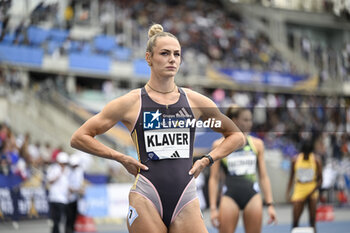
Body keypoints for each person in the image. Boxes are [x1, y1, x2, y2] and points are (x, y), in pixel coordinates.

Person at [70, 23, 246, 233]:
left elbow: (236, 136)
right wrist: (120, 157)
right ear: (148, 58)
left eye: (177, 54)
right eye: (164, 53)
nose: (172, 59)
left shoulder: (195, 103)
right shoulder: (130, 103)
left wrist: (207, 159)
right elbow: (80, 137)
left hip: (185, 197)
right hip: (146, 196)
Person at [208, 106, 277, 233]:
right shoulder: (218, 145)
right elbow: (214, 178)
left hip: (252, 195)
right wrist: (213, 208)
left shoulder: (257, 144)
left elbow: (263, 176)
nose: (249, 123)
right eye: (245, 120)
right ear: (234, 120)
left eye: (250, 120)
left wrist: (270, 204)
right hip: (229, 195)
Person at [286, 137, 323, 233]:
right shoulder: (295, 160)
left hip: (312, 188)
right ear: (302, 152)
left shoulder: (316, 160)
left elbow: (320, 180)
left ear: (311, 152)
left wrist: (311, 192)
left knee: (312, 221)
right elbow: (291, 177)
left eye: (308, 154)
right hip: (299, 188)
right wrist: (287, 193)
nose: (306, 156)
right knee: (295, 221)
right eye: (305, 154)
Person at [46, 152, 70, 233]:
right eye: (63, 163)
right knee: (55, 220)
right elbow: (49, 180)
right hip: (54, 197)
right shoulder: (53, 169)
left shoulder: (68, 170)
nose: (64, 165)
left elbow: (67, 183)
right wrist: (58, 174)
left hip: (63, 199)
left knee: (61, 219)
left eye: (65, 163)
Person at [66, 155, 84, 233]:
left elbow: (80, 182)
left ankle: (72, 230)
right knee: (68, 218)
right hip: (67, 198)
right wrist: (76, 190)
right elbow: (66, 186)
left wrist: (81, 189)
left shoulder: (79, 171)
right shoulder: (67, 171)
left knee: (74, 217)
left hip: (76, 197)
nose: (75, 167)